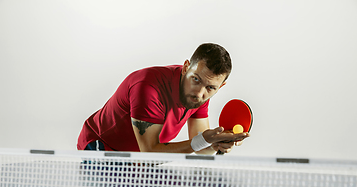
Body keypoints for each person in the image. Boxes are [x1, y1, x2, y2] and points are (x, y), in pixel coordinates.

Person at [77, 43, 249, 154]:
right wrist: (205, 141)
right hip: (101, 149)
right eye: (195, 79)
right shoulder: (148, 88)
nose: (199, 93)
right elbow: (150, 151)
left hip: (136, 160)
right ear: (186, 67)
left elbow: (201, 147)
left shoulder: (201, 94)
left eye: (210, 88)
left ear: (220, 87)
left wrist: (217, 143)